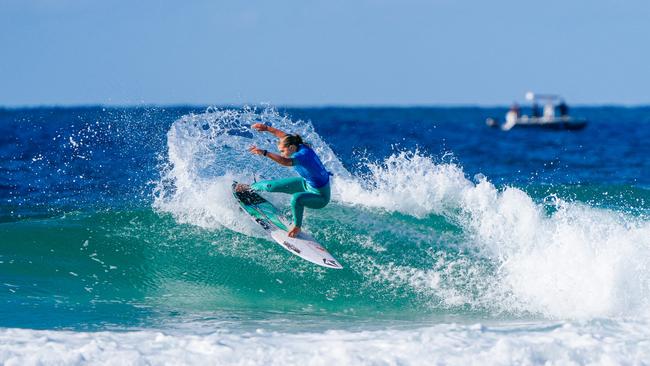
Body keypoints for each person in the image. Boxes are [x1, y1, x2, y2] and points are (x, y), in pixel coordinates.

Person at [241, 123, 331, 238]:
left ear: (291, 148)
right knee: (271, 186)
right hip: (306, 183)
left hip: (320, 196)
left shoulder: (303, 154)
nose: (281, 153)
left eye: (282, 151)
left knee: (296, 198)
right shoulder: (296, 143)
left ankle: (297, 227)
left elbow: (285, 162)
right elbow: (283, 136)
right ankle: (250, 187)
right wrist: (267, 128)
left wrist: (265, 153)